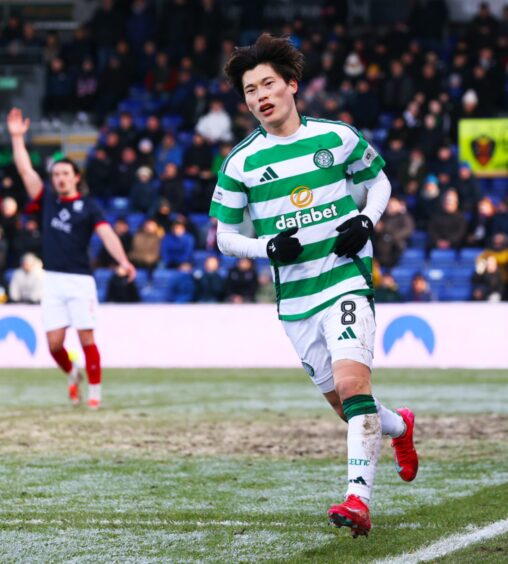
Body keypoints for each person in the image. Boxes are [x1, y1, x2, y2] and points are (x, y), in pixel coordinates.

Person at [209, 34, 418, 537]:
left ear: (291, 85)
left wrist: (367, 220)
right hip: (296, 299)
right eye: (249, 89)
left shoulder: (337, 137)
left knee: (353, 386)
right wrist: (266, 248)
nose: (260, 95)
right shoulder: (241, 163)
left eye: (268, 84)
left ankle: (357, 501)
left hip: (345, 279)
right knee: (347, 407)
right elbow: (224, 237)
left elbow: (381, 180)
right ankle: (401, 427)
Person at [7, 107, 136, 410]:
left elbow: (106, 235)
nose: (60, 178)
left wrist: (123, 261)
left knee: (86, 339)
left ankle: (95, 392)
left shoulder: (90, 207)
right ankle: (72, 372)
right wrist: (17, 139)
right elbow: (26, 171)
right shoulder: (48, 200)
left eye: (65, 173)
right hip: (52, 280)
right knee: (53, 346)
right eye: (55, 175)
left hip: (80, 280)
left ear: (76, 177)